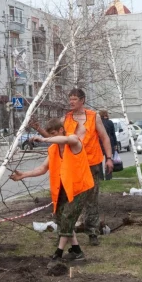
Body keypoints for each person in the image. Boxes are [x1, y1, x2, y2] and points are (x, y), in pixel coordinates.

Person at [32, 88, 113, 246]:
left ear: (82, 100)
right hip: (74, 165)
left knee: (91, 199)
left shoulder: (93, 116)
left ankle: (92, 232)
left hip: (92, 163)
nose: (71, 102)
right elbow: (57, 138)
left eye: (74, 99)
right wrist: (40, 132)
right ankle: (66, 232)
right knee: (69, 199)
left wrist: (109, 158)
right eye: (70, 99)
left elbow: (104, 138)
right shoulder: (66, 118)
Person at [10, 118, 93, 263]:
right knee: (61, 218)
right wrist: (23, 175)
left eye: (54, 134)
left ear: (61, 130)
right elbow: (42, 168)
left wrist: (43, 138)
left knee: (67, 218)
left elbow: (67, 139)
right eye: (51, 135)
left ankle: (58, 254)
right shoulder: (53, 149)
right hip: (64, 188)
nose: (52, 138)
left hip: (80, 187)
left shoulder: (73, 141)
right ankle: (77, 251)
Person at [98, 110, 119, 180]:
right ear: (106, 114)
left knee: (99, 161)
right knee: (108, 159)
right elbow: (113, 134)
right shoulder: (110, 122)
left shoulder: (98, 122)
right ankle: (108, 176)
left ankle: (100, 176)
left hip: (99, 142)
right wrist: (115, 144)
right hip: (109, 142)